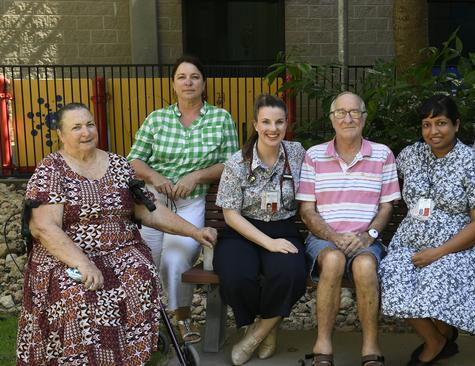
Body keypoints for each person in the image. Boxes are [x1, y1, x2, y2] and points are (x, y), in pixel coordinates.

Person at [16, 103, 217, 365]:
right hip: (65, 257)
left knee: (140, 276)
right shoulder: (51, 170)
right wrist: (83, 262)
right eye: (76, 127)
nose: (86, 132)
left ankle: (131, 356)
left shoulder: (119, 165)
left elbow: (148, 212)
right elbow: (43, 227)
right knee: (80, 294)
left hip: (120, 250)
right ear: (61, 135)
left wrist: (194, 231)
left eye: (89, 124)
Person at [380, 95, 475, 366]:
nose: (433, 131)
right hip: (410, 242)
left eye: (441, 123)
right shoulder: (410, 155)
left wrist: (437, 252)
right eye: (426, 124)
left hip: (458, 245)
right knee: (391, 274)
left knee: (436, 277)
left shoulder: (473, 163)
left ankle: (441, 335)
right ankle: (436, 338)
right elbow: (378, 173)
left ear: (456, 125)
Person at [127, 55, 238, 342]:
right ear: (173, 83)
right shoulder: (157, 118)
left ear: (204, 82)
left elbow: (231, 164)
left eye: (194, 77)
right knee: (145, 260)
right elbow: (135, 160)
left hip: (192, 203)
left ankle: (182, 318)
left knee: (175, 259)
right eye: (182, 77)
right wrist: (155, 177)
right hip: (153, 202)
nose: (188, 82)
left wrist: (196, 176)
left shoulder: (220, 118)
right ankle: (146, 323)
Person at [296, 92, 401, 366]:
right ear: (332, 119)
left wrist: (369, 236)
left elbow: (387, 207)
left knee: (365, 266)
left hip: (366, 239)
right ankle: (323, 344)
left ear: (364, 118)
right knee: (333, 259)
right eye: (340, 112)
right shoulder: (314, 156)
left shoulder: (382, 155)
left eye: (355, 112)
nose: (348, 118)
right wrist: (333, 236)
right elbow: (307, 210)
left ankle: (370, 346)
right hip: (324, 238)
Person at [213, 95, 307, 365]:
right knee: (235, 274)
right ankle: (267, 325)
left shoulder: (297, 153)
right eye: (265, 122)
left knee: (290, 272)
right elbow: (230, 215)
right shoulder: (237, 163)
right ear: (255, 124)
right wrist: (268, 243)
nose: (273, 128)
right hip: (242, 229)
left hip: (284, 227)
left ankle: (258, 333)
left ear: (287, 123)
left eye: (279, 122)